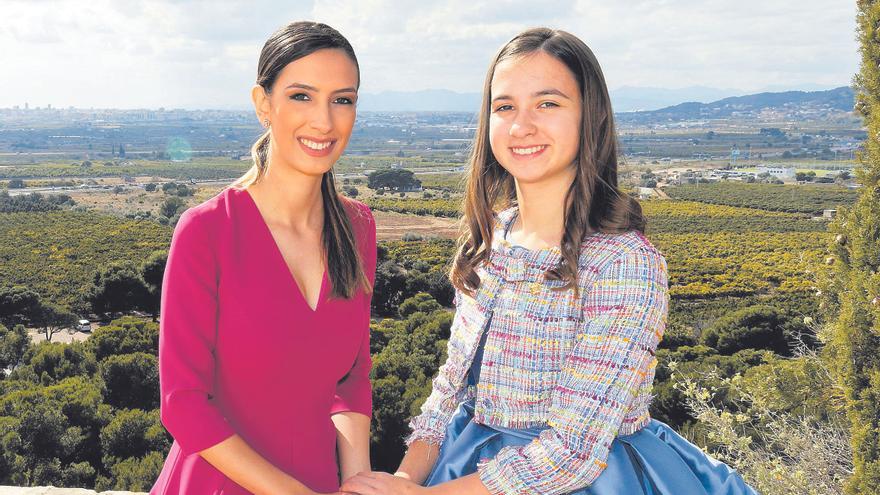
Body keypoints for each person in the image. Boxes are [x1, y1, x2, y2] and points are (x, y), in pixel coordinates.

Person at [341, 28, 757, 495]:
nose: (521, 126)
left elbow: (573, 452)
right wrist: (401, 481)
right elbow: (447, 395)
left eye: (548, 103)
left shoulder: (623, 263)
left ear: (589, 118)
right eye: (505, 107)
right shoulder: (491, 238)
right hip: (465, 471)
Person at [150, 21, 376, 495]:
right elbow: (182, 402)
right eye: (301, 96)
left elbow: (352, 380)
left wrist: (357, 483)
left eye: (343, 99)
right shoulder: (206, 232)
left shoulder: (358, 229)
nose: (325, 121)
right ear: (263, 105)